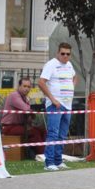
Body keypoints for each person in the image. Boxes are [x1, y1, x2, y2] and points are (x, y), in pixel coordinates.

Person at [38, 42, 76, 171]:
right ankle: (49, 163)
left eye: (68, 54)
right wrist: (53, 99)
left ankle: (58, 161)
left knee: (62, 134)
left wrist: (71, 88)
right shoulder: (51, 64)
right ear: (57, 53)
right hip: (55, 105)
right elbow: (41, 82)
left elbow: (75, 77)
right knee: (53, 133)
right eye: (63, 53)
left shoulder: (70, 65)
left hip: (67, 105)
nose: (65, 56)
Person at [0, 77, 46, 156]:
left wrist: (31, 116)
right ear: (19, 86)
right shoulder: (14, 96)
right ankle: (42, 154)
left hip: (20, 126)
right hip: (8, 127)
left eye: (28, 87)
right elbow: (26, 109)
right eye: (24, 86)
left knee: (42, 131)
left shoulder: (25, 98)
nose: (27, 89)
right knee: (34, 132)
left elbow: (29, 114)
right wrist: (33, 113)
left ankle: (43, 152)